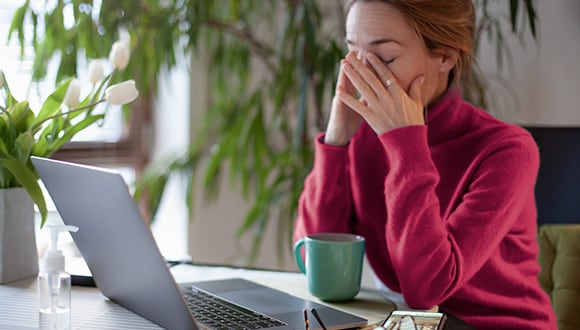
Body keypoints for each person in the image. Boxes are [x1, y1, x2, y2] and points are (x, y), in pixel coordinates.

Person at [292, 1, 557, 329]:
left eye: (385, 57)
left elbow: (427, 288)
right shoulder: (363, 135)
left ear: (445, 57)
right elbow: (314, 264)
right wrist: (336, 141)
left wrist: (406, 145)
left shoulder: (508, 152)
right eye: (352, 52)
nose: (360, 73)